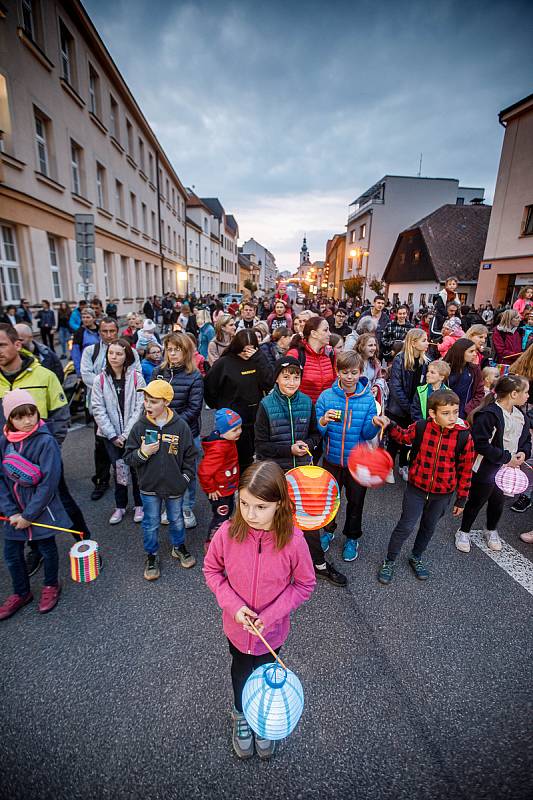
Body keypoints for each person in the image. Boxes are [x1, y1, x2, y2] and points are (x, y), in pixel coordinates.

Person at [203, 460, 316, 760]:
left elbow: (304, 584)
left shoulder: (293, 541)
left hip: (273, 632)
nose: (250, 514)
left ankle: (264, 719)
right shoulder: (226, 533)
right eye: (244, 504)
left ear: (279, 504)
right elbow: (212, 571)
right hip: (236, 630)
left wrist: (269, 617)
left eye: (261, 507)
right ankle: (242, 714)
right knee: (240, 670)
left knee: (268, 674)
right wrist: (234, 606)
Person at [0, 323, 91, 574]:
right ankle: (36, 550)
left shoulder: (44, 376)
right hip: (8, 462)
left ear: (17, 345)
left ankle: (84, 542)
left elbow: (61, 416)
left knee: (62, 501)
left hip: (43, 457)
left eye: (2, 345)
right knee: (17, 508)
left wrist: (52, 447)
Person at [255, 356, 343, 585]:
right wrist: (288, 450)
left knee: (308, 521)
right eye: (286, 377)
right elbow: (261, 446)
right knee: (276, 522)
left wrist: (310, 445)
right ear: (276, 378)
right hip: (277, 472)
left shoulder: (306, 402)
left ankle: (319, 564)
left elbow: (316, 435)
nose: (292, 382)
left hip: (303, 474)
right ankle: (274, 568)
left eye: (296, 377)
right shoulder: (265, 405)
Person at [377, 390, 475, 585]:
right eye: (446, 413)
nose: (453, 418)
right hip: (417, 489)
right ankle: (389, 560)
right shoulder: (421, 427)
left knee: (428, 527)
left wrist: (461, 499)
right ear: (432, 413)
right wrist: (389, 424)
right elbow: (403, 437)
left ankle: (416, 556)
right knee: (405, 526)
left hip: (443, 494)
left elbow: (466, 471)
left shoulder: (464, 437)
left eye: (455, 412)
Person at [0, 389, 71, 619]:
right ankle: (21, 592)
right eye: (19, 417)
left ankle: (51, 585)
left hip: (41, 509)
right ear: (9, 418)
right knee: (11, 553)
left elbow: (49, 483)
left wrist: (29, 515)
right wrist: (11, 511)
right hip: (13, 512)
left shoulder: (46, 441)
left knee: (47, 549)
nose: (27, 421)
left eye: (31, 414)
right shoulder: (4, 441)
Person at [316, 351, 387, 563]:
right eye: (344, 372)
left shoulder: (368, 400)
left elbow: (366, 434)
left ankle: (352, 537)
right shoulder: (326, 397)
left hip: (358, 462)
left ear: (360, 373)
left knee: (356, 502)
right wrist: (323, 422)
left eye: (354, 373)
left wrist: (374, 424)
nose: (349, 377)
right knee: (331, 500)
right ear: (337, 372)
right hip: (331, 459)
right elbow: (318, 432)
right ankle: (328, 531)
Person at [123, 379, 197, 580]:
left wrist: (185, 478)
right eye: (146, 400)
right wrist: (143, 452)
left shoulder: (180, 427)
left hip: (175, 486)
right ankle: (152, 555)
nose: (148, 405)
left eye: (154, 401)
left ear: (166, 402)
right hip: (149, 487)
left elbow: (191, 455)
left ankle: (178, 547)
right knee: (151, 523)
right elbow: (128, 457)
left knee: (177, 519)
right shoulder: (139, 427)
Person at [455, 374, 531, 553]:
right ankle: (464, 530)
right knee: (477, 500)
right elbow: (480, 443)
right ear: (513, 394)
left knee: (498, 502)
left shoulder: (521, 416)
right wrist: (505, 458)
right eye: (526, 392)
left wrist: (523, 453)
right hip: (486, 468)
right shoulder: (490, 414)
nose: (528, 396)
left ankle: (491, 529)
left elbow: (526, 440)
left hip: (509, 469)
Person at [90, 339, 146, 525]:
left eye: (119, 353)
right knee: (119, 470)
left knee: (137, 470)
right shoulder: (100, 379)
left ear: (127, 356)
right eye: (111, 353)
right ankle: (120, 506)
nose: (114, 357)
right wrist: (113, 435)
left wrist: (126, 434)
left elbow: (140, 407)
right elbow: (97, 408)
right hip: (110, 436)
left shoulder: (137, 377)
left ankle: (140, 504)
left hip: (133, 435)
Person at [152, 332, 204, 529]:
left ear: (186, 351)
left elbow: (194, 408)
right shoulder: (158, 372)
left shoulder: (195, 376)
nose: (172, 353)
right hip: (160, 431)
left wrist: (171, 423)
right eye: (169, 349)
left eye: (177, 350)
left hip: (187, 433)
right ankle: (171, 505)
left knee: (187, 472)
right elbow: (150, 400)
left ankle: (186, 507)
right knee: (166, 472)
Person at [204, 329, 273, 471]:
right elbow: (209, 388)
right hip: (231, 423)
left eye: (251, 350)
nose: (246, 354)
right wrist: (220, 407)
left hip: (254, 420)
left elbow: (269, 382)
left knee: (250, 461)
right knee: (229, 461)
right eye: (243, 350)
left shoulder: (258, 360)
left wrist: (259, 357)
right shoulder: (224, 363)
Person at [386, 329, 429, 481]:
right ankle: (388, 468)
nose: (427, 343)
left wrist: (416, 408)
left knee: (409, 439)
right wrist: (409, 407)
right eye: (423, 340)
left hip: (415, 408)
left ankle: (403, 465)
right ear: (413, 342)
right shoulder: (400, 359)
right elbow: (396, 387)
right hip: (398, 408)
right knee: (394, 440)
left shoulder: (425, 362)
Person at [198, 408, 242, 552]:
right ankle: (212, 544)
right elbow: (204, 472)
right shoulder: (219, 448)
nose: (239, 432)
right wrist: (211, 489)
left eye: (239, 428)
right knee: (221, 516)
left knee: (228, 513)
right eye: (235, 430)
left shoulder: (227, 440)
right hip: (220, 491)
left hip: (227, 486)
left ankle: (224, 538)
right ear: (222, 432)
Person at [286, 317, 336, 405]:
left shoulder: (330, 354)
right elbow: (286, 384)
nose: (330, 334)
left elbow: (335, 382)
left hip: (324, 410)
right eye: (325, 330)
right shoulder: (296, 354)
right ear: (314, 333)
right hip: (302, 410)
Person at [444, 339, 485, 420]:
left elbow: (479, 393)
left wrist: (468, 410)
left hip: (465, 415)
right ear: (461, 352)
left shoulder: (475, 369)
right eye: (471, 351)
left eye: (475, 351)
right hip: (444, 413)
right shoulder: (444, 368)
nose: (475, 354)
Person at [354, 333, 389, 411]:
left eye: (374, 345)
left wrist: (377, 386)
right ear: (361, 347)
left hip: (370, 400)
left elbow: (379, 378)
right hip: (356, 401)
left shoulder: (376, 363)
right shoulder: (353, 362)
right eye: (370, 345)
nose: (374, 348)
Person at [71, 308, 99, 375]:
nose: (85, 319)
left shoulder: (101, 330)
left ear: (94, 318)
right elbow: (76, 354)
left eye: (88, 317)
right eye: (83, 317)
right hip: (88, 367)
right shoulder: (79, 332)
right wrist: (79, 373)